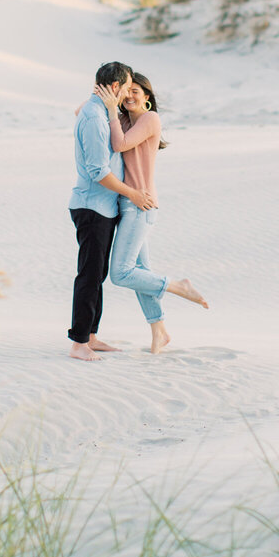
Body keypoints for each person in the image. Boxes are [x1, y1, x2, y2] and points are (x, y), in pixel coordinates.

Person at [95, 72, 208, 354]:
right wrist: (107, 99)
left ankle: (177, 286)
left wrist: (111, 108)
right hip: (126, 205)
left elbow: (120, 145)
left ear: (147, 97)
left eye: (136, 91)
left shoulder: (150, 119)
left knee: (121, 273)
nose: (130, 96)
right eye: (126, 91)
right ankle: (159, 331)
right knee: (140, 271)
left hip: (140, 205)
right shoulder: (123, 121)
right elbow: (83, 114)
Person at [67, 61, 155, 362]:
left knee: (98, 273)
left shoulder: (101, 111)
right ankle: (79, 342)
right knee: (89, 275)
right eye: (126, 87)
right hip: (92, 206)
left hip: (104, 206)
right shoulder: (94, 118)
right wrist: (133, 194)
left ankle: (91, 335)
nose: (128, 94)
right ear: (115, 88)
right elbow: (97, 171)